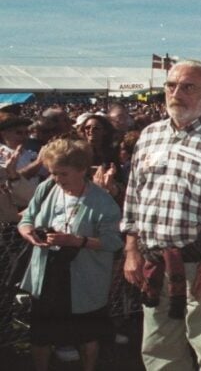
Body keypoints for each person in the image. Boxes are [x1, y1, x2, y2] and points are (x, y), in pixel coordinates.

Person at [121, 60, 201, 371]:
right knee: (158, 350)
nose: (176, 93)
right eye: (171, 86)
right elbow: (133, 199)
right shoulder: (149, 136)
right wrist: (130, 250)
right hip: (155, 264)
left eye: (187, 87)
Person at [18, 138, 123, 371]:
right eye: (53, 173)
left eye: (63, 174)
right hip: (47, 273)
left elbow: (114, 242)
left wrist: (77, 241)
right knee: (41, 333)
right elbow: (27, 217)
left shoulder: (103, 203)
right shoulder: (47, 188)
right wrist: (27, 231)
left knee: (87, 333)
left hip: (84, 277)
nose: (57, 179)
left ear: (82, 170)